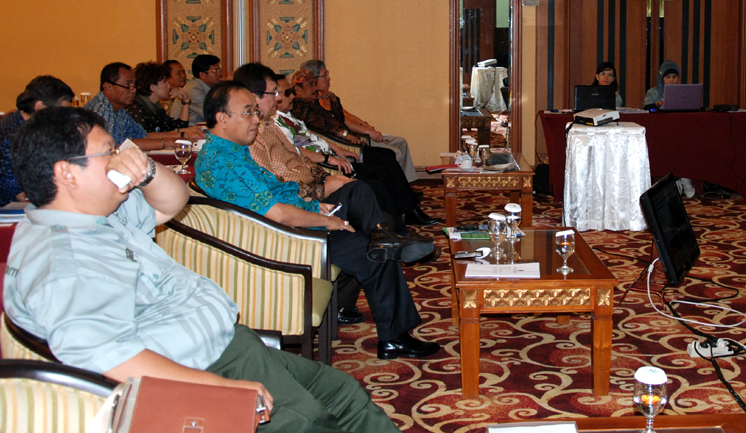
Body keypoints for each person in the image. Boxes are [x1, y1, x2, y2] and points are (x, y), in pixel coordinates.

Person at [2, 106, 399, 432]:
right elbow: (106, 357)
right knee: (315, 422)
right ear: (66, 172)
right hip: (201, 368)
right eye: (109, 152)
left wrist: (147, 171)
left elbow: (173, 202)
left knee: (345, 393)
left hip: (226, 342)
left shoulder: (99, 213)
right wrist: (220, 388)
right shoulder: (65, 260)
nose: (121, 158)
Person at [196, 83, 439, 360]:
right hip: (288, 237)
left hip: (296, 220)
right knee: (376, 255)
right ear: (222, 117)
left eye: (255, 110)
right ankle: (394, 335)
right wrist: (326, 221)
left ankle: (384, 236)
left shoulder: (231, 152)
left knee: (358, 192)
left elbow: (277, 200)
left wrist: (314, 205)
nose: (256, 118)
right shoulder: (223, 162)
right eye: (248, 112)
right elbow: (278, 214)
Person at [241, 64, 431, 229]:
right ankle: (392, 233)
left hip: (320, 170)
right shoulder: (256, 135)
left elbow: (306, 148)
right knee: (372, 183)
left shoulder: (271, 125)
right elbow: (276, 183)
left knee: (383, 165)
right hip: (307, 189)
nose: (280, 98)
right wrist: (323, 181)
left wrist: (326, 172)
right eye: (279, 93)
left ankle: (396, 229)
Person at [288, 60, 417, 182]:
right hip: (341, 146)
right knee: (389, 158)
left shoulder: (318, 100)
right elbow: (328, 127)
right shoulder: (302, 108)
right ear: (298, 89)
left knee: (391, 153)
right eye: (324, 75)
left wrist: (334, 100)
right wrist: (348, 135)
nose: (315, 88)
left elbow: (341, 119)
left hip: (346, 142)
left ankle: (405, 191)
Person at [83, 62, 195, 151]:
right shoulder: (100, 110)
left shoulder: (120, 109)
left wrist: (179, 138)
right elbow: (120, 145)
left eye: (134, 85)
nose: (133, 90)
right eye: (128, 85)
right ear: (108, 87)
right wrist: (170, 142)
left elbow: (142, 136)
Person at [0, 76, 74, 201]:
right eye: (61, 111)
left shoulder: (35, 126)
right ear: (39, 107)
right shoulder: (9, 138)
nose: (64, 118)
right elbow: (20, 195)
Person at [130, 61, 190, 133]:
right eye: (164, 81)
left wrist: (186, 101)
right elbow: (145, 138)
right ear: (152, 87)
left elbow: (177, 127)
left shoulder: (156, 106)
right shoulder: (136, 107)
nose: (169, 86)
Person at [185, 54, 222, 125]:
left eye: (219, 70)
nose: (220, 74)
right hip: (186, 131)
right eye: (215, 71)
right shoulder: (194, 89)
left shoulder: (213, 86)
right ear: (202, 74)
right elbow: (211, 115)